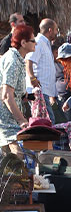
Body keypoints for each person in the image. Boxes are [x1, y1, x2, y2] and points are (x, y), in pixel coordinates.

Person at [0, 24, 36, 152]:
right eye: (33, 40)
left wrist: (24, 96)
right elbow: (6, 95)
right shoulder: (13, 61)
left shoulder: (17, 59)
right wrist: (21, 120)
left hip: (9, 116)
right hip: (7, 119)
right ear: (23, 42)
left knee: (9, 161)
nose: (35, 43)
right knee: (18, 159)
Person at [26, 18, 58, 122]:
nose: (57, 32)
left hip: (44, 91)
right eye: (56, 30)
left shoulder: (46, 43)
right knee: (48, 122)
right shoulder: (39, 42)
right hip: (39, 91)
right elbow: (29, 61)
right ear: (50, 30)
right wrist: (32, 78)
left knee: (45, 123)